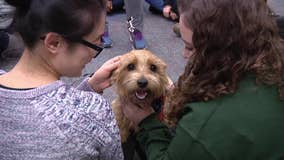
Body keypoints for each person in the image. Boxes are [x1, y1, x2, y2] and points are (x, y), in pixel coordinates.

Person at [121, 0, 284, 159]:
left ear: (223, 46)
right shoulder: (270, 58)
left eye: (190, 47)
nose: (184, 55)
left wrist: (147, 122)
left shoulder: (204, 123)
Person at [0, 0, 124, 159]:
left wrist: (89, 87)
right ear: (54, 42)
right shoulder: (94, 111)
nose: (96, 51)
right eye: (96, 41)